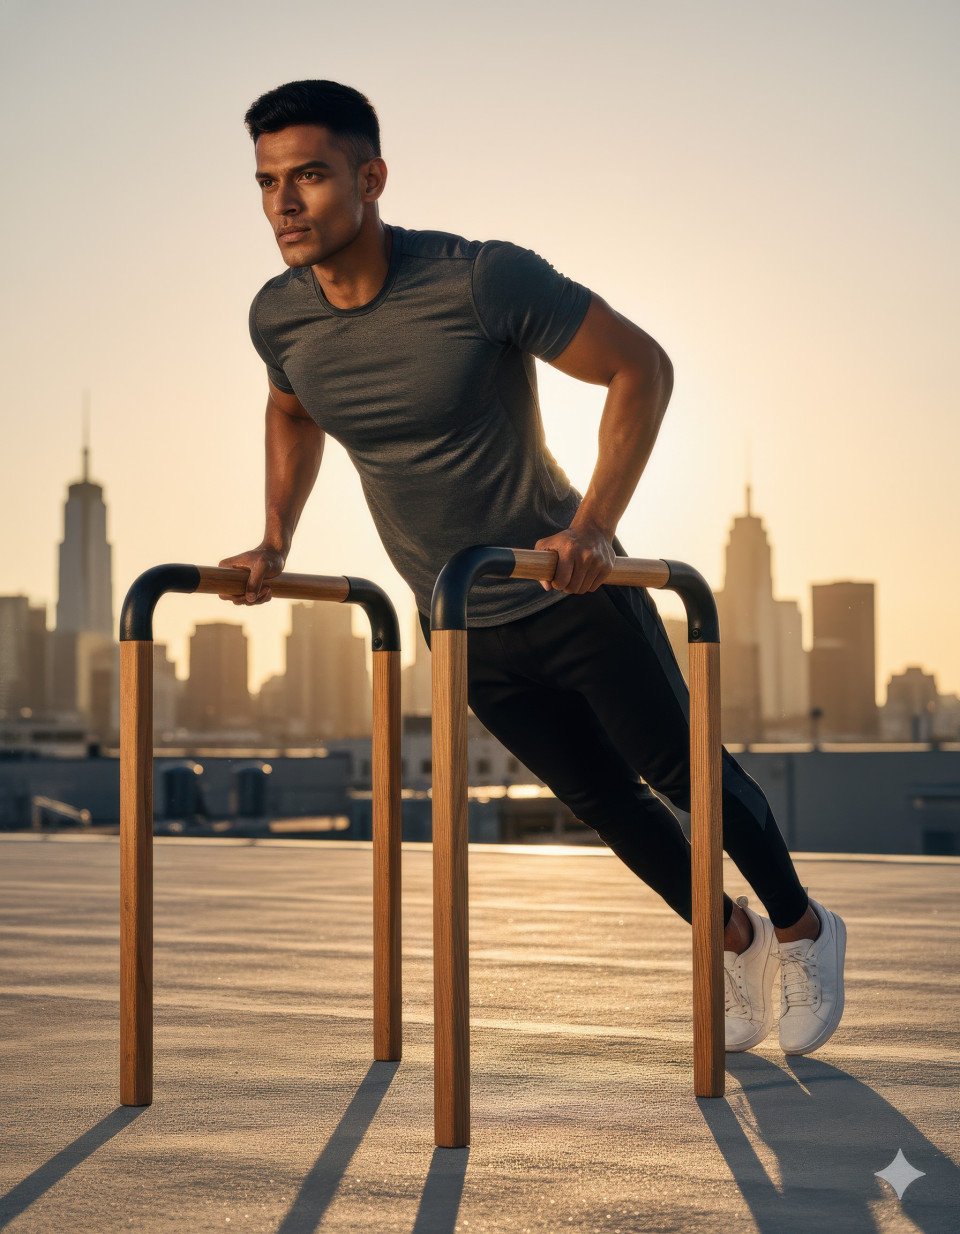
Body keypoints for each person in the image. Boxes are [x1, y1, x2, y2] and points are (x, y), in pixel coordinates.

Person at [218, 78, 846, 1057]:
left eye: (309, 175)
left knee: (682, 771)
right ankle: (733, 940)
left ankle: (804, 929)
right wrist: (274, 538)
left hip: (567, 587)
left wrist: (595, 526)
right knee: (601, 800)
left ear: (370, 177)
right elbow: (291, 407)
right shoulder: (279, 318)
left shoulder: (478, 280)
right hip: (460, 618)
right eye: (266, 182)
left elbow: (642, 364)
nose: (284, 203)